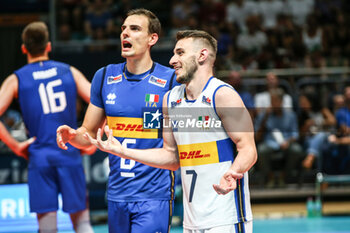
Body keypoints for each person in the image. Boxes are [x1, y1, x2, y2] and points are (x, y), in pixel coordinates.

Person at [82, 30, 257, 232]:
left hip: (226, 216)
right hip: (192, 221)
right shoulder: (171, 100)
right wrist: (121, 150)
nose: (173, 59)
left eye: (180, 53)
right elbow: (171, 157)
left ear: (202, 56)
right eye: (174, 53)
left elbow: (248, 150)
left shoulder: (222, 95)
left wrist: (234, 172)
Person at [57, 9, 178, 233]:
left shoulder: (170, 80)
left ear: (153, 38)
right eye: (123, 29)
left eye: (134, 29)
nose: (125, 34)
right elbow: (89, 134)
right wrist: (74, 136)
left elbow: (191, 131)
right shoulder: (104, 77)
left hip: (154, 196)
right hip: (116, 195)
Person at [0, 22, 94, 233]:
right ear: (49, 46)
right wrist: (91, 139)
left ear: (24, 48)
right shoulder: (69, 71)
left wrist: (15, 145)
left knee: (47, 228)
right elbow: (101, 102)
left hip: (40, 156)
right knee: (83, 224)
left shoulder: (16, 79)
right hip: (69, 153)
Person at [255, 88, 304, 188]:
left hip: (286, 142)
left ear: (281, 101)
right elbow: (257, 136)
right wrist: (265, 118)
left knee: (297, 150)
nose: (273, 103)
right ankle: (270, 177)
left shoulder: (290, 115)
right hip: (270, 143)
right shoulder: (264, 115)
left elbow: (295, 134)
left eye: (275, 101)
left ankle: (283, 176)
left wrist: (288, 141)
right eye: (271, 101)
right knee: (261, 150)